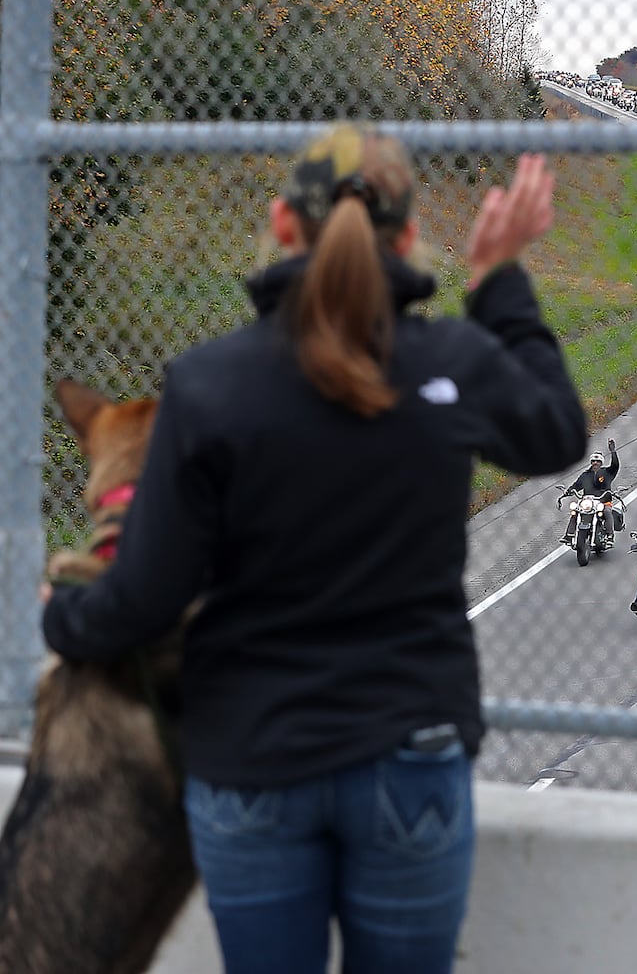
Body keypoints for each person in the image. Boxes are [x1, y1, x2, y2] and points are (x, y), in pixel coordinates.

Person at [41, 124, 589, 974]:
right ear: (408, 238)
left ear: (281, 223)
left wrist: (65, 618)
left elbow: (145, 600)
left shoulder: (208, 384)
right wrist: (499, 281)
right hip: (411, 751)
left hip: (252, 764)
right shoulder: (451, 360)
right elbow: (555, 432)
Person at [560, 438, 621, 543]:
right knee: (575, 511)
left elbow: (615, 465)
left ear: (601, 462)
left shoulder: (607, 472)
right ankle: (569, 535)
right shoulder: (586, 475)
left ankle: (610, 536)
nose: (595, 463)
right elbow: (577, 485)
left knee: (607, 512)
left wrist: (612, 450)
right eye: (593, 461)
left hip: (603, 501)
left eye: (598, 461)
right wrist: (568, 491)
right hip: (587, 502)